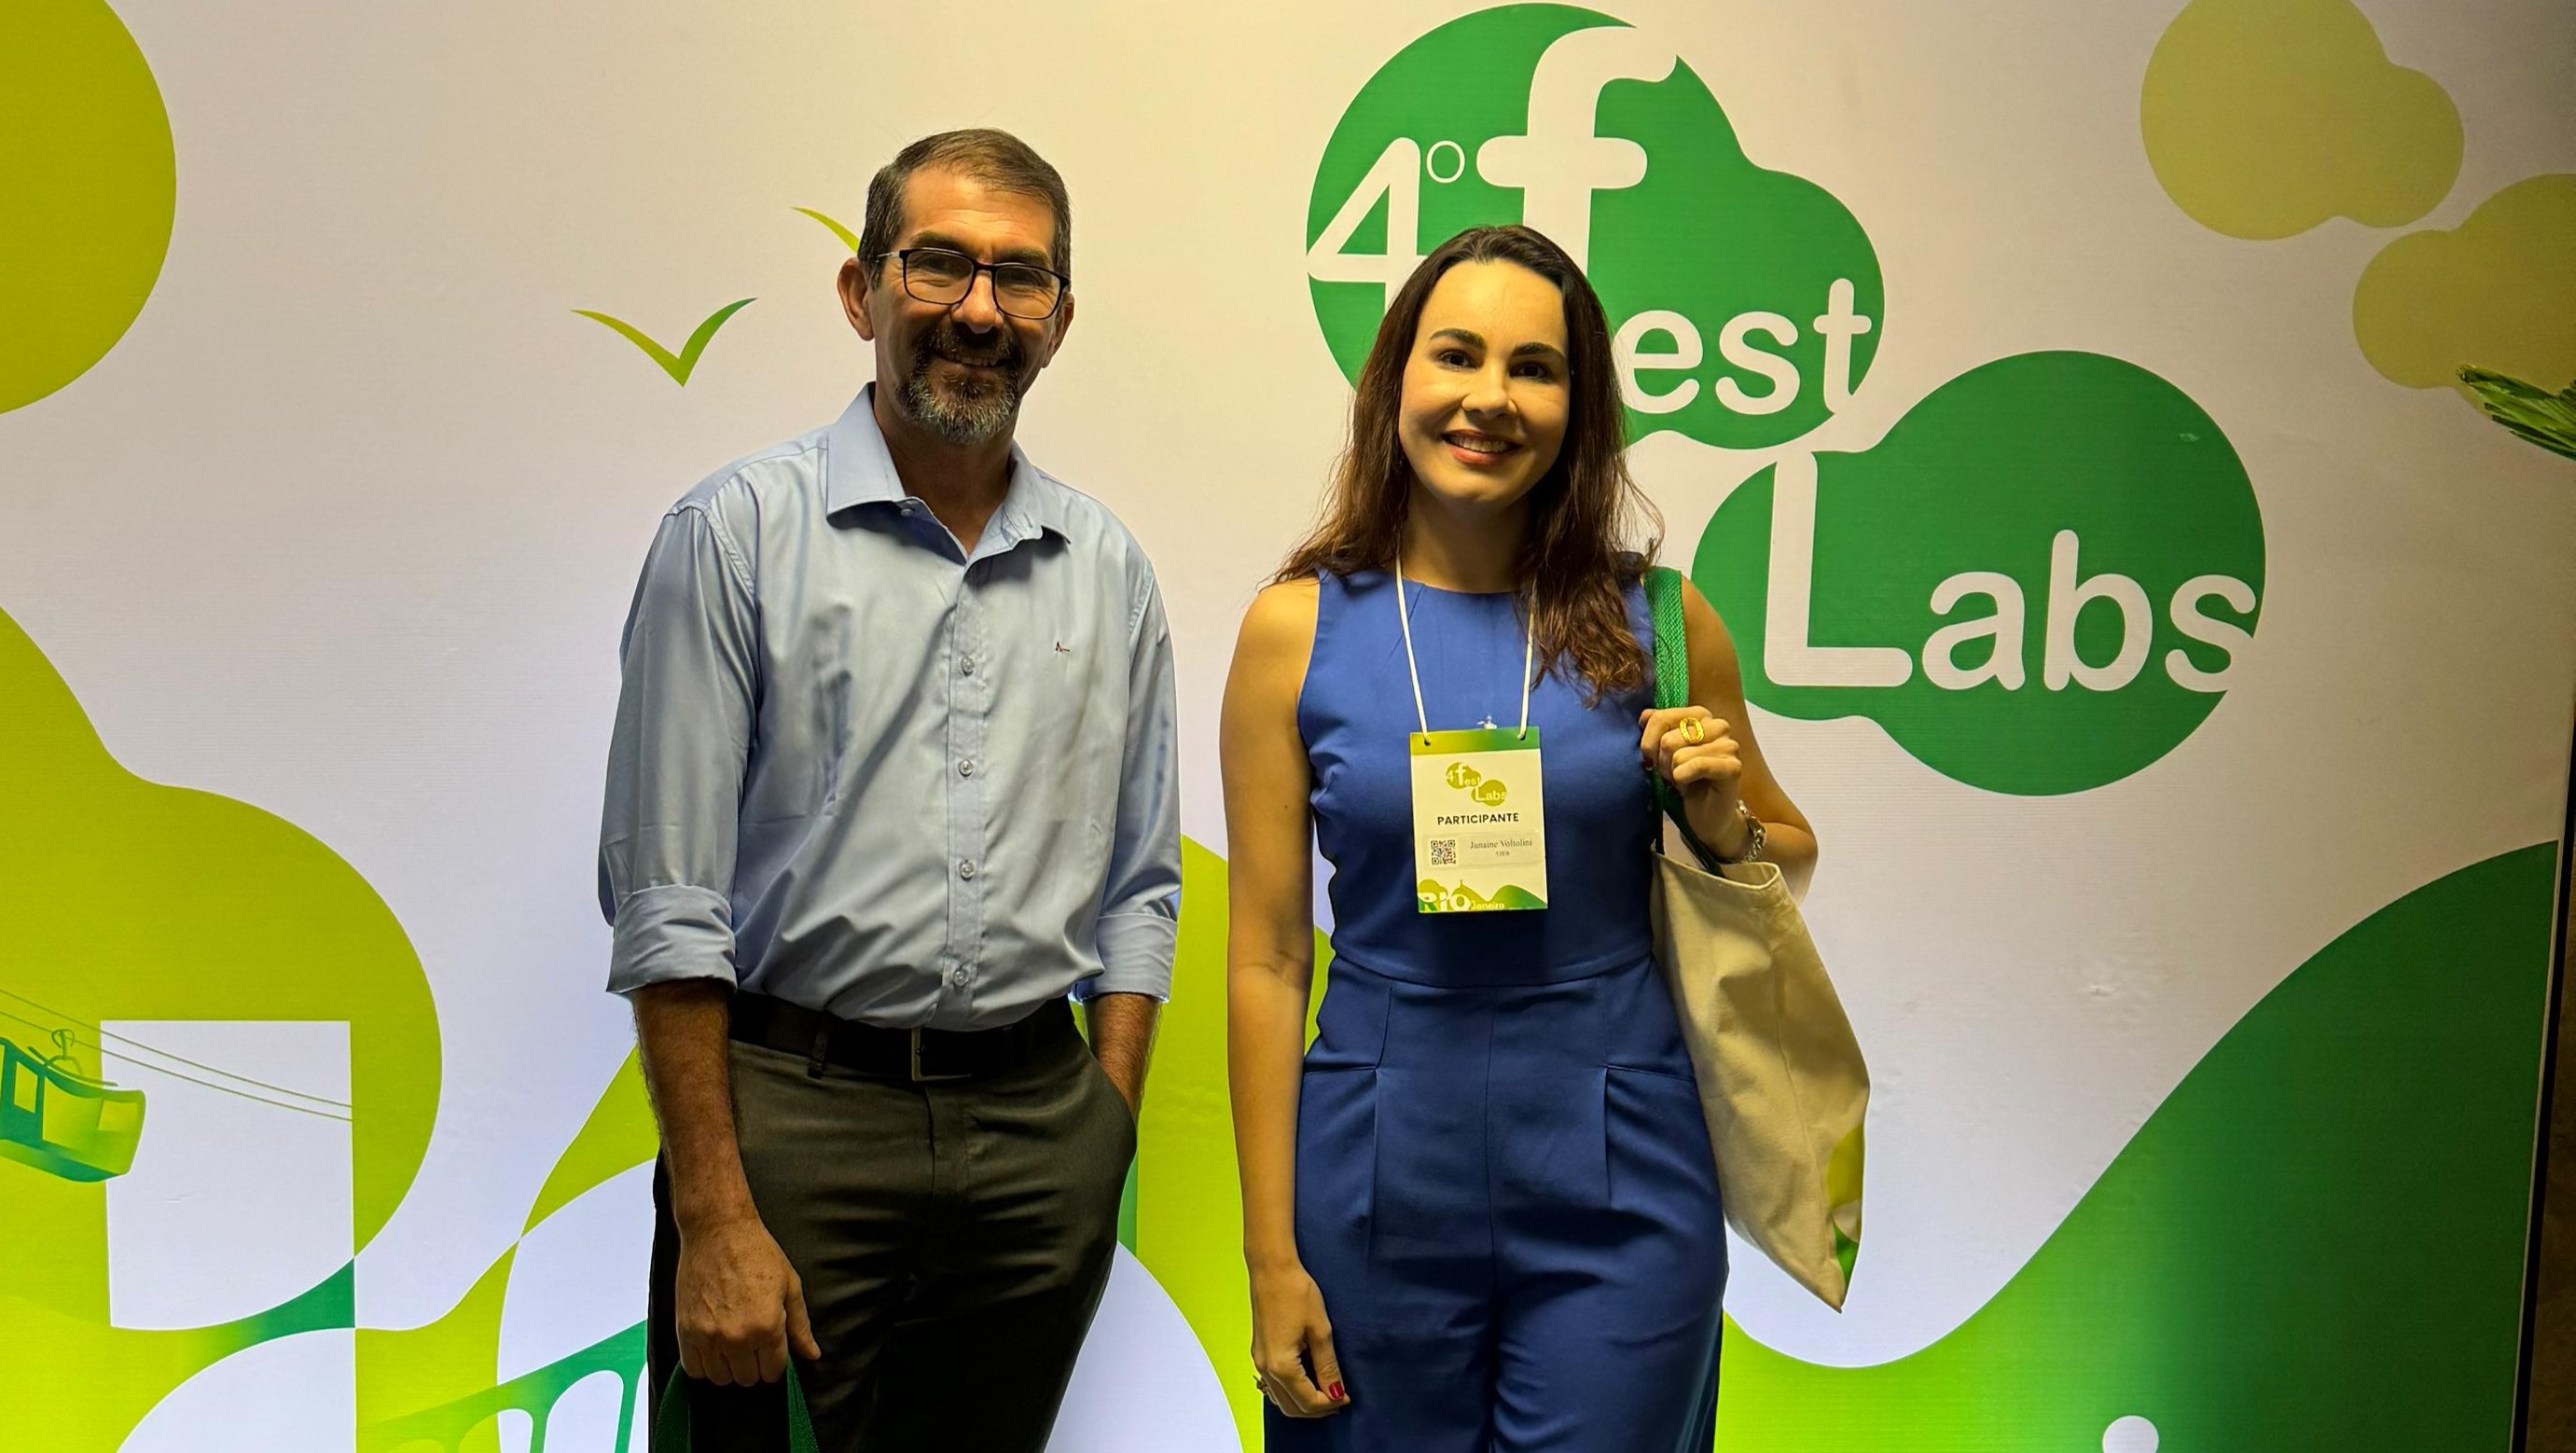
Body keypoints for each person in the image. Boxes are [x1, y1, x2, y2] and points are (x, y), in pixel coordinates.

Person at [598, 128, 1180, 1451]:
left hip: (1040, 1132)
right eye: (939, 266)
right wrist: (713, 1211)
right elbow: (667, 899)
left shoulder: (1108, 567)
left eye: (1019, 279)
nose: (979, 310)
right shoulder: (732, 536)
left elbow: (1140, 882)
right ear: (862, 293)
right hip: (794, 1121)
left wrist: (1105, 1131)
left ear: (1058, 319)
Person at [1220, 225, 1820, 1450]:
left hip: (1622, 1163)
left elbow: (1782, 852)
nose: (1488, 397)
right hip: (1374, 1163)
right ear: (1396, 379)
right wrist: (1269, 1250)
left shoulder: (1660, 615)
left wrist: (1716, 824)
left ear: (1579, 406)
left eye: (1533, 367)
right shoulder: (1294, 629)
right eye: (1455, 355)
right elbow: (1268, 956)